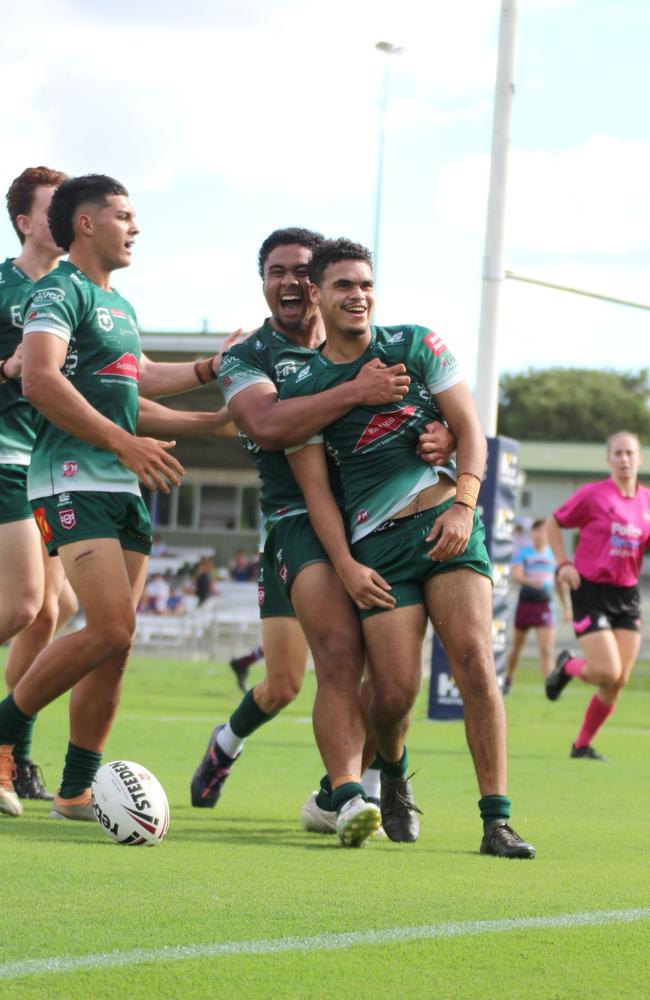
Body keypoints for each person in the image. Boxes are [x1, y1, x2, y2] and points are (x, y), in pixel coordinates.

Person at [191, 227, 453, 847]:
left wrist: (445, 436)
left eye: (302, 271)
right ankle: (310, 779)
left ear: (320, 284)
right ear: (264, 282)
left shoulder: (373, 347)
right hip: (296, 523)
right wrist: (355, 392)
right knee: (310, 669)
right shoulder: (247, 357)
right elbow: (266, 423)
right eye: (276, 270)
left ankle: (337, 792)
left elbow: (428, 408)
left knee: (385, 678)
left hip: (371, 519)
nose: (291, 281)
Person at [281, 237, 535, 858]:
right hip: (379, 547)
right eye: (343, 285)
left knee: (476, 660)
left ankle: (496, 821)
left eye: (365, 284)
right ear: (318, 293)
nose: (358, 295)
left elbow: (471, 429)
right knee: (393, 694)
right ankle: (392, 773)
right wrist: (345, 564)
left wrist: (463, 505)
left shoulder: (417, 343)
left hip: (449, 523)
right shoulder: (306, 385)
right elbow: (316, 493)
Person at [0, 173, 234, 820]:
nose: (136, 228)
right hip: (68, 475)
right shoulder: (57, 290)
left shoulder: (121, 307)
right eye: (125, 216)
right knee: (105, 624)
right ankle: (4, 737)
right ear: (87, 224)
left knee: (116, 642)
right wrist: (124, 442)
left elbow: (137, 390)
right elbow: (42, 381)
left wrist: (213, 394)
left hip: (120, 484)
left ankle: (75, 790)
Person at [0, 166, 73, 807]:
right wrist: (6, 366)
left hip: (45, 468)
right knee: (25, 606)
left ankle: (10, 754)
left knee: (57, 612)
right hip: (2, 456)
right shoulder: (2, 284)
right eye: (58, 207)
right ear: (26, 222)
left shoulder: (75, 291)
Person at [544, 431, 650, 760]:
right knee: (606, 671)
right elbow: (554, 523)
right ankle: (567, 667)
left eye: (630, 453)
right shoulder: (593, 495)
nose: (624, 459)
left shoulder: (647, 500)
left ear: (640, 459)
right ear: (608, 459)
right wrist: (563, 563)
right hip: (590, 590)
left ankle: (582, 745)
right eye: (618, 453)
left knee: (618, 680)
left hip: (627, 594)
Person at [503, 518, 570, 694]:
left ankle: (550, 685)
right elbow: (516, 575)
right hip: (526, 604)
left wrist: (567, 608)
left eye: (542, 531)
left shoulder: (553, 557)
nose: (539, 535)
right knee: (517, 647)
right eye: (536, 531)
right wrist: (532, 582)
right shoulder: (523, 553)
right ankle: (508, 678)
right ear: (532, 534)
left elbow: (560, 584)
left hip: (545, 606)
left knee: (546, 649)